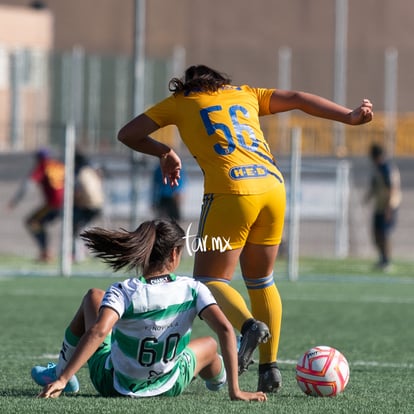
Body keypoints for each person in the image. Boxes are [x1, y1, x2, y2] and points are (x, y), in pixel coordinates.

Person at [117, 64, 374, 392]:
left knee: (209, 280)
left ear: (185, 86)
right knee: (262, 280)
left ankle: (248, 326)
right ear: (221, 83)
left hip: (231, 191)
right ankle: (269, 367)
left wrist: (164, 151)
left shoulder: (180, 102)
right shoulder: (245, 94)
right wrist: (349, 117)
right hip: (273, 188)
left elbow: (127, 134)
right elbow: (296, 97)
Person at [31, 218, 266, 402]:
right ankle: (220, 381)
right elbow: (225, 328)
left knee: (93, 296)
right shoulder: (193, 289)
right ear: (174, 253)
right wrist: (237, 391)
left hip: (114, 386)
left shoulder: (124, 290)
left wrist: (63, 378)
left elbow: (98, 332)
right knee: (211, 346)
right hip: (170, 385)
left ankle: (61, 373)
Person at [8, 148, 65, 262]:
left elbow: (28, 185)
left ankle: (46, 252)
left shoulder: (42, 167)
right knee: (38, 223)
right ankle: (48, 252)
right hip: (66, 204)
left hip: (53, 204)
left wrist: (15, 201)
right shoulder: (58, 165)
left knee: (32, 222)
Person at [364, 143, 401, 270]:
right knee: (376, 233)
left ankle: (387, 261)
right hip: (379, 206)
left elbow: (392, 189)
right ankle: (382, 258)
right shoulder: (378, 168)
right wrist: (367, 198)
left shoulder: (386, 168)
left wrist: (389, 208)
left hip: (388, 206)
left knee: (384, 233)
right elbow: (374, 186)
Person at [72, 151, 104, 259]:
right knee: (86, 228)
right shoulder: (90, 170)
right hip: (98, 205)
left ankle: (79, 254)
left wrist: (76, 202)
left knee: (77, 228)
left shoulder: (79, 172)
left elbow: (78, 192)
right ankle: (87, 251)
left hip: (88, 205)